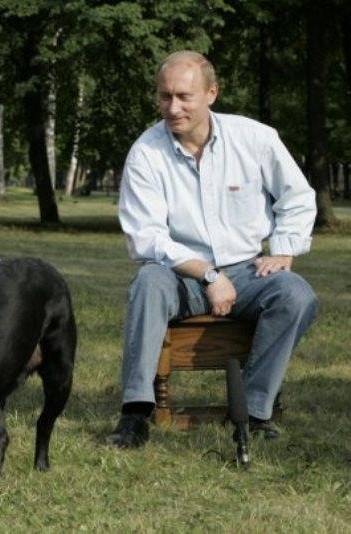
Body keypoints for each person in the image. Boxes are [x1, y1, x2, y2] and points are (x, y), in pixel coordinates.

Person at [105, 50, 319, 448]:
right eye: (165, 96)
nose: (173, 107)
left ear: (212, 93)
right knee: (147, 283)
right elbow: (146, 237)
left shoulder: (255, 139)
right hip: (179, 274)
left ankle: (254, 410)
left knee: (297, 295)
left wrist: (284, 250)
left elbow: (299, 198)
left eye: (184, 96)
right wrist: (208, 274)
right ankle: (135, 413)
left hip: (249, 270)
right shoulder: (146, 153)